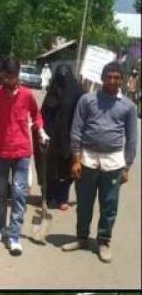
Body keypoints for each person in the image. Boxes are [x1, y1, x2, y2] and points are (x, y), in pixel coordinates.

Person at [63, 61, 138, 263]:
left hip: (113, 162)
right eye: (109, 77)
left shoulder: (129, 106)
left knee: (109, 206)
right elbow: (76, 130)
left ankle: (104, 242)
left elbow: (131, 139)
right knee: (84, 203)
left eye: (116, 77)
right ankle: (81, 238)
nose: (112, 81)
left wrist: (127, 166)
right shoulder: (87, 100)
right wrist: (76, 159)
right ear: (102, 78)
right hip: (87, 160)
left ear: (121, 80)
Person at [0, 56, 47, 256]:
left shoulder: (26, 95)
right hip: (0, 152)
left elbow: (37, 115)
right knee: (0, 193)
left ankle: (14, 235)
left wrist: (41, 131)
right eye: (5, 76)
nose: (9, 80)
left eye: (12, 76)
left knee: (19, 193)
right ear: (1, 75)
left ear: (18, 74)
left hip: (22, 151)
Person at [40, 64, 84, 210]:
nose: (63, 78)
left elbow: (83, 114)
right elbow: (44, 113)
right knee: (51, 167)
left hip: (69, 136)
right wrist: (41, 132)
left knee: (66, 169)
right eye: (60, 75)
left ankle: (62, 198)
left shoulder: (78, 92)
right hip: (51, 136)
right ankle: (50, 196)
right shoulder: (52, 91)